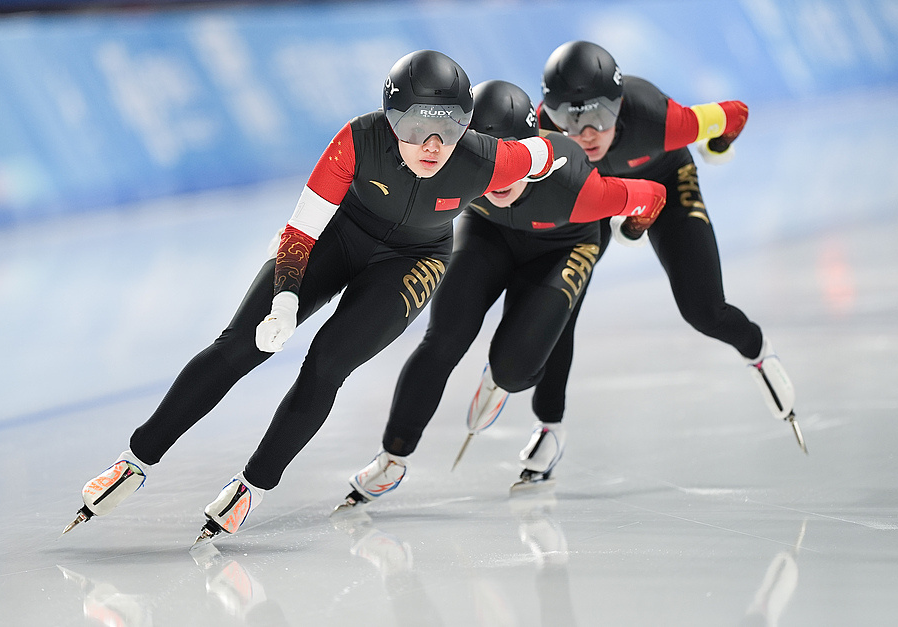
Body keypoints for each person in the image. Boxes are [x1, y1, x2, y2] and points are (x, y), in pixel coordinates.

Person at [63, 50, 561, 545]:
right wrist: (284, 300)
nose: (432, 145)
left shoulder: (484, 158)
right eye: (415, 128)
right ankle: (135, 460)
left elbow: (544, 153)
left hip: (415, 258)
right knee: (243, 343)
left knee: (327, 364)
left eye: (448, 129)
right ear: (391, 120)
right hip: (337, 235)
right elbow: (302, 229)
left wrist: (542, 167)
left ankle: (254, 485)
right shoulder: (358, 139)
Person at [337, 79, 667, 508]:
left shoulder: (576, 186)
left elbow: (653, 195)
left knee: (520, 360)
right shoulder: (454, 166)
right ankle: (392, 458)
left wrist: (632, 229)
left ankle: (538, 414)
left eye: (511, 159)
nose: (500, 176)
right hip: (488, 234)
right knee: (444, 338)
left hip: (564, 245)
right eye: (489, 161)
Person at [533, 40, 806, 455]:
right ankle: (549, 426)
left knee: (703, 310)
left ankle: (757, 350)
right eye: (571, 120)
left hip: (664, 178)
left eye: (599, 116)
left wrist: (715, 145)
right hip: (596, 194)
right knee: (560, 306)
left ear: (620, 105)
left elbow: (735, 113)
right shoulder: (539, 130)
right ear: (550, 114)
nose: (586, 134)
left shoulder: (659, 119)